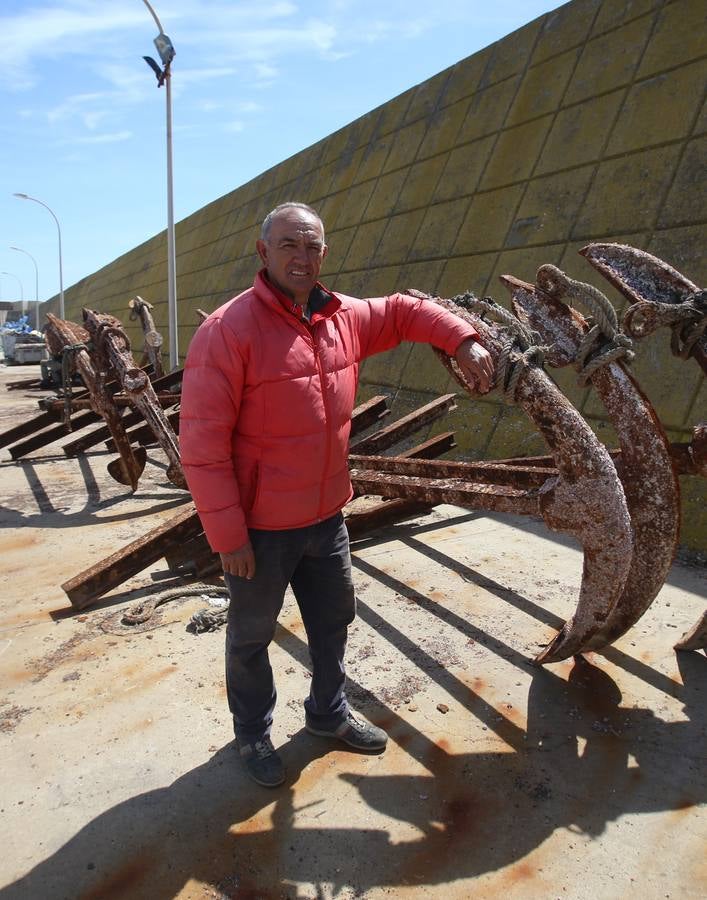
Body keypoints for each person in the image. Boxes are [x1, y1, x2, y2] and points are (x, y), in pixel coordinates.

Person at [180, 202, 493, 787]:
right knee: (251, 637)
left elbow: (404, 311)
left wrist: (463, 341)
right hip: (261, 531)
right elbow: (201, 446)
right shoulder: (227, 331)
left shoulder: (341, 317)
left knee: (333, 623)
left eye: (313, 246)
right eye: (289, 245)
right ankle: (252, 735)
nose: (302, 257)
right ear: (263, 252)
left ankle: (327, 714)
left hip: (326, 519)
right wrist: (228, 537)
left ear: (324, 253)